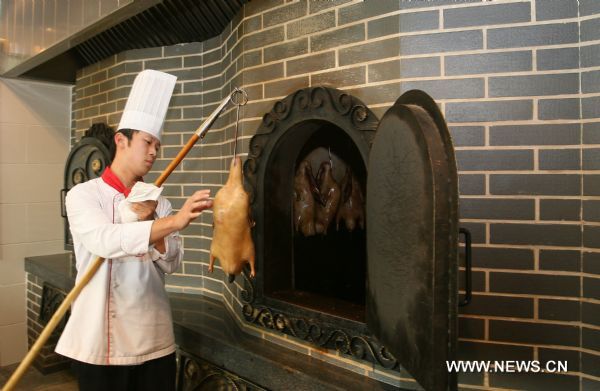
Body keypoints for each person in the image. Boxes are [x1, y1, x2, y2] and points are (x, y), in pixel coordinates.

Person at [55, 70, 213, 391]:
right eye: (147, 142)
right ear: (121, 140)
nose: (155, 152)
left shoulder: (158, 200)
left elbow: (172, 263)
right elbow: (104, 241)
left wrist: (151, 223)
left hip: (153, 335)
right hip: (101, 341)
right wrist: (169, 223)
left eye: (158, 144)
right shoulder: (84, 195)